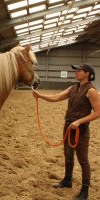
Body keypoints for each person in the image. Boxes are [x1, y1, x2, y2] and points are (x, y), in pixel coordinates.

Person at [32, 63, 100, 200]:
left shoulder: (91, 91)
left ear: (87, 73)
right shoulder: (72, 88)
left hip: (81, 129)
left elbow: (98, 112)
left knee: (83, 159)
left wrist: (79, 121)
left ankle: (85, 191)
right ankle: (67, 180)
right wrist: (40, 95)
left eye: (79, 71)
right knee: (68, 155)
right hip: (68, 126)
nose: (75, 73)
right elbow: (55, 98)